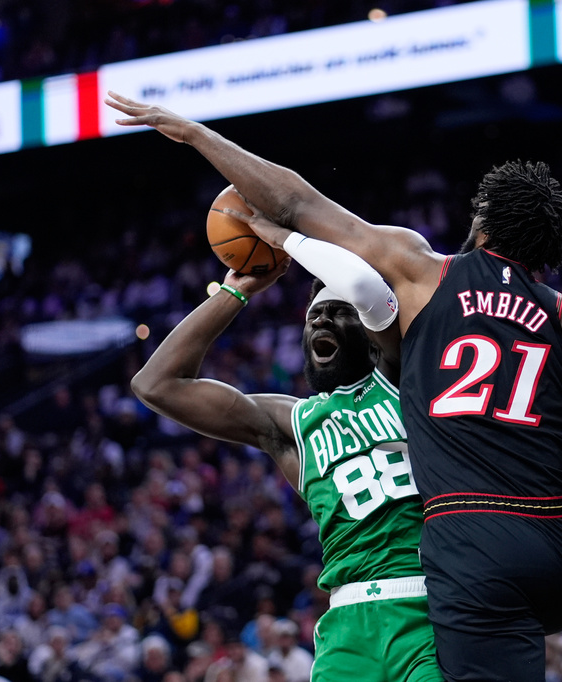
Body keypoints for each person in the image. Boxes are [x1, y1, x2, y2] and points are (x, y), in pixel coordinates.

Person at [105, 92, 562, 681]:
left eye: (334, 313)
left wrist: (201, 138)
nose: (324, 318)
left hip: (468, 560)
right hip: (543, 549)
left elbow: (296, 203)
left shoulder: (417, 291)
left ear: (478, 224)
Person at [127, 219, 440, 682]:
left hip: (428, 607)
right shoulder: (290, 421)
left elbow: (367, 285)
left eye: (339, 312)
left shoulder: (403, 378)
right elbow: (155, 385)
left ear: (372, 333)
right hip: (347, 623)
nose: (322, 319)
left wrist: (290, 236)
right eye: (314, 315)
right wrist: (233, 293)